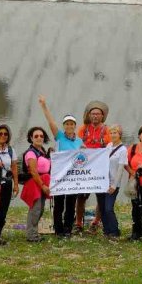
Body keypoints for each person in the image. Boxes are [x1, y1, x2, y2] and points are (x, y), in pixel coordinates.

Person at [39, 95, 83, 237]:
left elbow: (88, 155)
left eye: (71, 124)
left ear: (75, 126)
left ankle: (68, 229)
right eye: (67, 124)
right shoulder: (59, 136)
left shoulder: (79, 141)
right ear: (64, 126)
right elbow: (50, 121)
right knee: (59, 204)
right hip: (59, 175)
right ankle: (58, 230)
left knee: (71, 204)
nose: (69, 126)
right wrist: (44, 106)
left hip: (73, 177)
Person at [76, 101, 111, 234]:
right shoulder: (83, 129)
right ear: (89, 115)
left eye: (98, 114)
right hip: (84, 168)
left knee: (100, 196)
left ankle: (96, 221)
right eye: (93, 114)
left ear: (102, 116)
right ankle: (78, 222)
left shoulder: (107, 130)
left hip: (100, 168)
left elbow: (110, 147)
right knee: (81, 196)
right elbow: (76, 145)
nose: (95, 116)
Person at [19, 126, 51, 242]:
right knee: (35, 208)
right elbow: (33, 171)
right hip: (35, 183)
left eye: (41, 136)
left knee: (41, 208)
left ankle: (34, 231)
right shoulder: (31, 153)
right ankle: (31, 235)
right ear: (31, 138)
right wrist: (42, 185)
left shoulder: (42, 151)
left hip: (42, 181)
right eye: (36, 136)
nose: (39, 138)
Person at [98, 125, 128, 240]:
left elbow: (120, 169)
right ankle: (107, 230)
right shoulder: (109, 145)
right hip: (103, 181)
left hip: (113, 183)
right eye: (111, 133)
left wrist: (114, 185)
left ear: (120, 134)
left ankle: (115, 230)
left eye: (115, 132)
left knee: (109, 208)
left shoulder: (123, 150)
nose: (113, 135)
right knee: (102, 207)